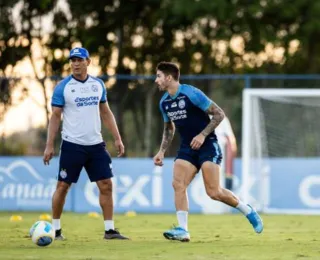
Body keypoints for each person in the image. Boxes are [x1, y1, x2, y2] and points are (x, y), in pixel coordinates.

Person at [153, 61, 263, 242]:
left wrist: (203, 135)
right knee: (177, 184)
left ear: (169, 77)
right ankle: (183, 230)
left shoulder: (192, 93)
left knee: (214, 192)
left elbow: (219, 114)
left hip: (207, 144)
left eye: (158, 76)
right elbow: (169, 128)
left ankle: (248, 210)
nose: (156, 80)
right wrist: (161, 151)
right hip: (187, 148)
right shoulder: (164, 102)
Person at [43, 47, 129, 240]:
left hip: (96, 145)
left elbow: (106, 112)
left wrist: (117, 138)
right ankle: (55, 230)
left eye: (79, 60)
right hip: (72, 145)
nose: (75, 63)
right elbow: (55, 117)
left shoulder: (98, 85)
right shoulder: (63, 87)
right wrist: (49, 145)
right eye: (72, 60)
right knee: (63, 186)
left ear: (88, 62)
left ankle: (109, 230)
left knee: (106, 185)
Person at [215, 116, 237, 191]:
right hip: (203, 154)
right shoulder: (199, 116)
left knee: (220, 179)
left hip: (219, 154)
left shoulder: (222, 118)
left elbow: (230, 139)